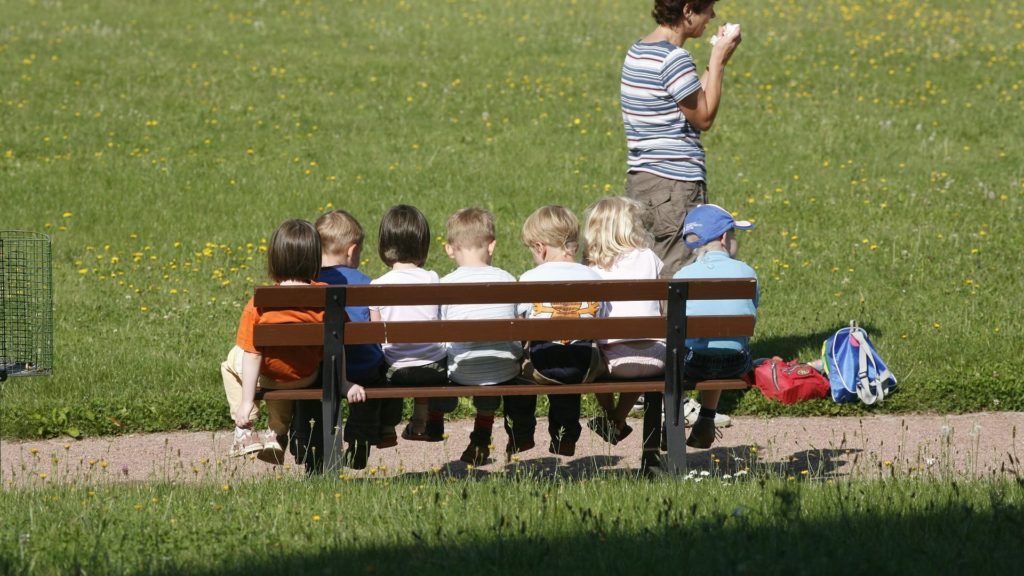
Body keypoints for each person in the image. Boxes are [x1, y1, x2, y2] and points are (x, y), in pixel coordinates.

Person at [221, 219, 366, 465]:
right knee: (283, 368)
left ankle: (244, 429)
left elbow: (252, 354)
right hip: (305, 375)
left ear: (274, 259)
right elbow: (338, 342)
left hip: (271, 376)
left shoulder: (261, 302)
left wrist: (247, 402)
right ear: (313, 259)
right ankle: (276, 433)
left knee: (231, 362)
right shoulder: (328, 298)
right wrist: (343, 382)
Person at [621, 0, 742, 277]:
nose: (713, 15)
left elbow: (690, 99)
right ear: (687, 11)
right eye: (708, 9)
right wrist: (718, 61)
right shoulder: (674, 59)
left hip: (644, 183)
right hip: (675, 185)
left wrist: (716, 59)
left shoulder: (638, 51)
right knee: (678, 275)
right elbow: (704, 117)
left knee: (651, 271)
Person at [290, 209, 386, 473]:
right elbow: (378, 332)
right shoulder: (367, 284)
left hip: (320, 369)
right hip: (360, 368)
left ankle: (306, 442)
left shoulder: (308, 283)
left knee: (313, 377)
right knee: (372, 370)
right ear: (352, 251)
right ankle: (361, 437)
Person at [513, 205, 607, 458]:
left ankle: (521, 432)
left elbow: (520, 324)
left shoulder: (529, 278)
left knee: (520, 370)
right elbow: (604, 319)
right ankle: (565, 435)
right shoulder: (594, 276)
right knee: (571, 355)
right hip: (584, 365)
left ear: (540, 248)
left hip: (542, 366)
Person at [435, 208, 522, 465]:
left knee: (460, 355)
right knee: (492, 358)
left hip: (461, 372)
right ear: (491, 246)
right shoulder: (507, 279)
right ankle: (482, 435)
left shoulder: (444, 284)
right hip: (504, 370)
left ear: (449, 249)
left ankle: (432, 421)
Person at [672, 203, 758, 448]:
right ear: (723, 238)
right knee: (721, 344)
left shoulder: (681, 276)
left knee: (682, 349)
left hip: (692, 364)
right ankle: (707, 417)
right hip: (735, 363)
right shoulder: (747, 273)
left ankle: (671, 424)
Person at [582, 197, 665, 445]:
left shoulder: (592, 266)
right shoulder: (649, 256)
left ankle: (611, 417)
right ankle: (618, 418)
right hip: (656, 359)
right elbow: (660, 308)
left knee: (592, 352)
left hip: (615, 363)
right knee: (640, 352)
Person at [369, 205, 448, 446]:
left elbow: (376, 336)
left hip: (395, 369)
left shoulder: (377, 285)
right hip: (434, 367)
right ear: (423, 245)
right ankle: (422, 421)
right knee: (428, 356)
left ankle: (386, 428)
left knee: (386, 361)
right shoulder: (433, 279)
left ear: (384, 245)